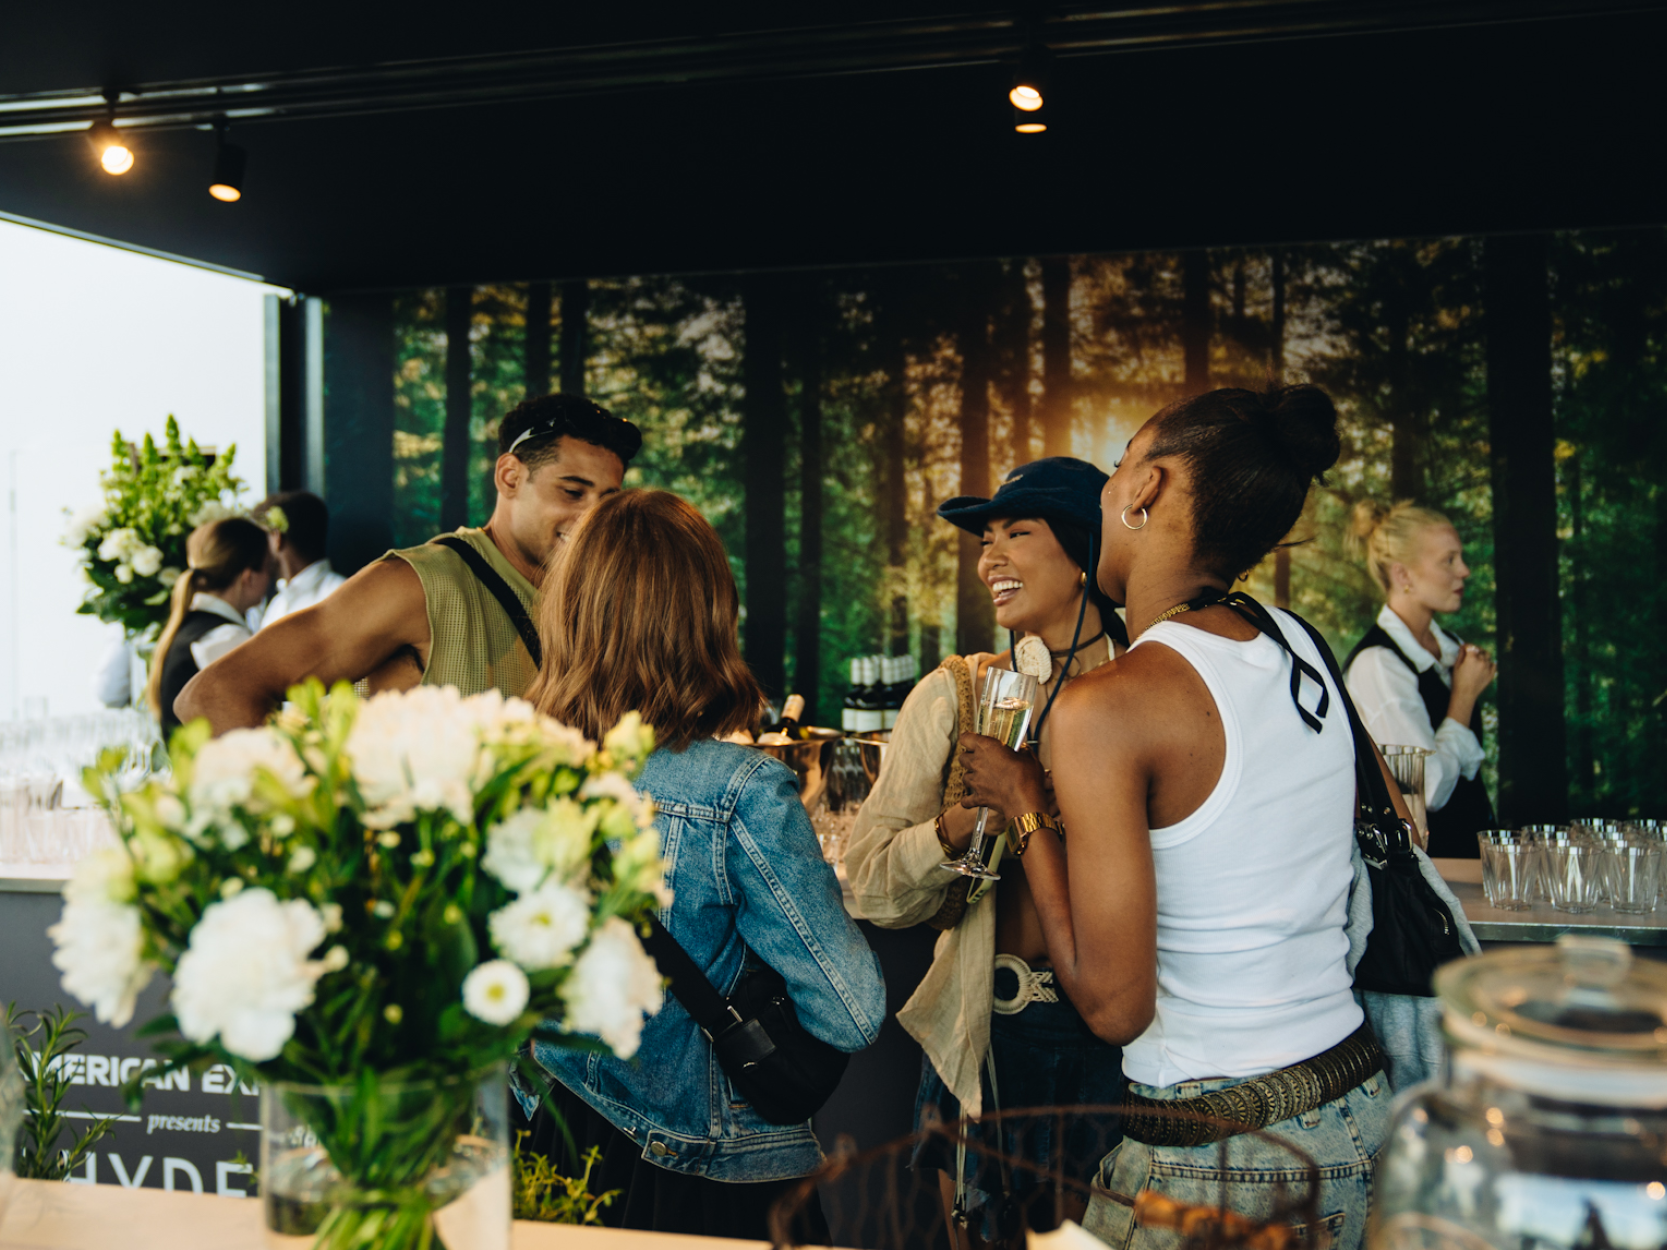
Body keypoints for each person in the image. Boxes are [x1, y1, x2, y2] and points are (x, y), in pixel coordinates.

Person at [959, 386, 1391, 1250]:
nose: (1109, 482)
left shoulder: (1107, 707)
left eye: (1118, 463)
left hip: (1218, 1156)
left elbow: (1115, 1007)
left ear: (1144, 488)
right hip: (1356, 1106)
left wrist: (1025, 807)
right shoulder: (1297, 643)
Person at [518, 489, 885, 1241]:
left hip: (555, 1142)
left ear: (569, 611)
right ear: (709, 617)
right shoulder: (737, 789)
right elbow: (852, 1009)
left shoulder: (512, 766)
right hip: (709, 1171)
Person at [846, 457, 1128, 1243]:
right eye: (985, 539)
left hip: (1117, 1047)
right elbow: (869, 885)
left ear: (1081, 553)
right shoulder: (955, 691)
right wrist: (954, 830)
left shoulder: (1147, 693)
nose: (989, 557)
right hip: (981, 1041)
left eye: (1016, 532)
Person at [174, 394, 640, 732]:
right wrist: (319, 834)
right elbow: (213, 695)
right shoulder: (420, 583)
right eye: (572, 492)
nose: (591, 518)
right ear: (510, 476)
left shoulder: (588, 602)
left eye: (606, 501)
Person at [1345, 500, 1496, 858]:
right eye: (1449, 560)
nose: (1465, 571)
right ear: (1403, 575)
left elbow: (1468, 773)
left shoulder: (1451, 652)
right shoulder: (1377, 665)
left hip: (1468, 866)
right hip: (1425, 879)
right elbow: (1427, 790)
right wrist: (1464, 697)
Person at [147, 517, 270, 738]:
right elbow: (251, 732)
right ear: (248, 577)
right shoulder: (225, 638)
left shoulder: (192, 628)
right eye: (269, 568)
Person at [251, 490, 345, 629]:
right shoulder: (277, 603)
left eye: (261, 538)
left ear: (277, 537)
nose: (255, 548)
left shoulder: (340, 595)